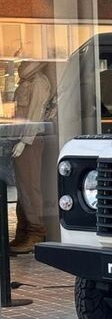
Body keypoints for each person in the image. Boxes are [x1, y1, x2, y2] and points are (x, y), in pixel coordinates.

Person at [10, 60, 52, 255]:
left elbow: (35, 115)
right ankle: (24, 230)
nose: (22, 63)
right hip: (20, 138)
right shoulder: (26, 81)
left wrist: (24, 141)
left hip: (30, 140)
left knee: (30, 187)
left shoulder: (39, 82)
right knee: (23, 188)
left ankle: (36, 231)